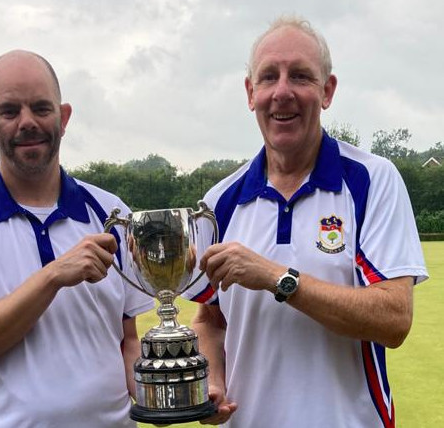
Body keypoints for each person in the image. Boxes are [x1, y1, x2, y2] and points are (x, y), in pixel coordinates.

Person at [183, 17, 429, 428]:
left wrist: (277, 277)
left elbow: (393, 320)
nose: (282, 92)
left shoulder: (372, 180)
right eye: (268, 77)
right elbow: (210, 318)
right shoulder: (219, 203)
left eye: (300, 76)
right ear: (251, 93)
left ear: (327, 91)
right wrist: (213, 379)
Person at [0, 50, 154, 428]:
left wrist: (163, 399)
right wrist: (53, 275)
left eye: (41, 108)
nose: (27, 122)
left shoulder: (111, 212)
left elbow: (126, 339)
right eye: (9, 111)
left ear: (64, 117)